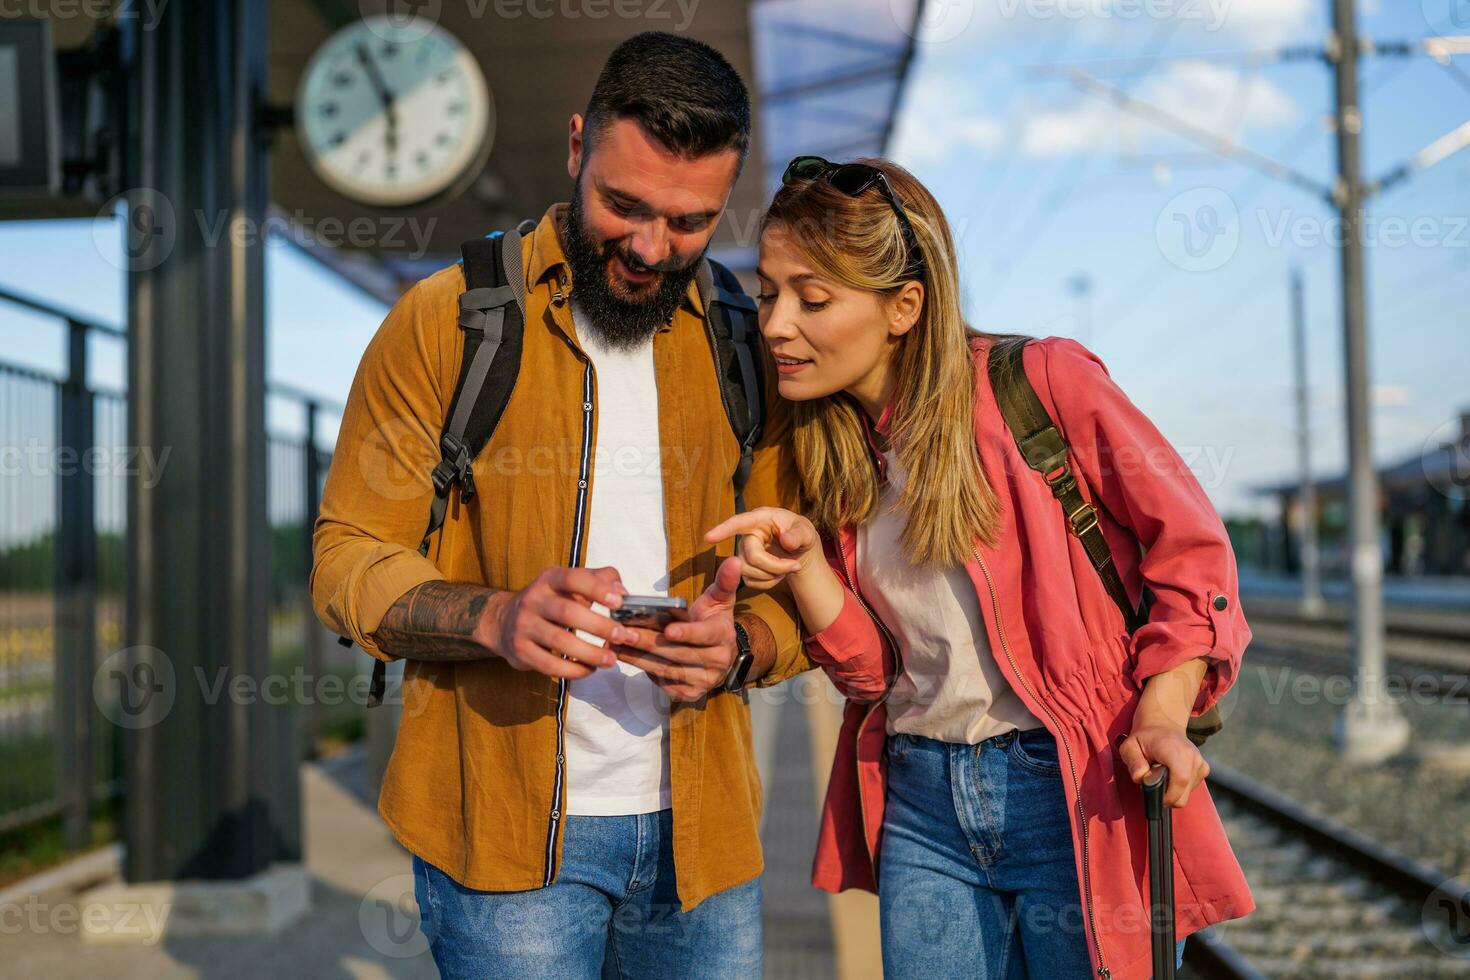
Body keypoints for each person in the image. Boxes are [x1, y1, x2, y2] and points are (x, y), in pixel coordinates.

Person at [311, 33, 809, 978]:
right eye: (624, 207)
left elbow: (804, 577)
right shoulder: (447, 321)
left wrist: (742, 647)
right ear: (577, 147)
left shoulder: (750, 346)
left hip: (704, 844)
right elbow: (346, 556)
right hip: (502, 851)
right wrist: (496, 617)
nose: (652, 249)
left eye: (691, 221)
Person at [706, 156, 1256, 980]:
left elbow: (1193, 552)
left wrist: (1165, 712)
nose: (777, 323)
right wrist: (808, 567)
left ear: (904, 307)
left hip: (1071, 789)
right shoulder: (834, 453)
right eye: (770, 291)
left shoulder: (1042, 386)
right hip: (922, 798)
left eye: (812, 298)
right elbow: (873, 680)